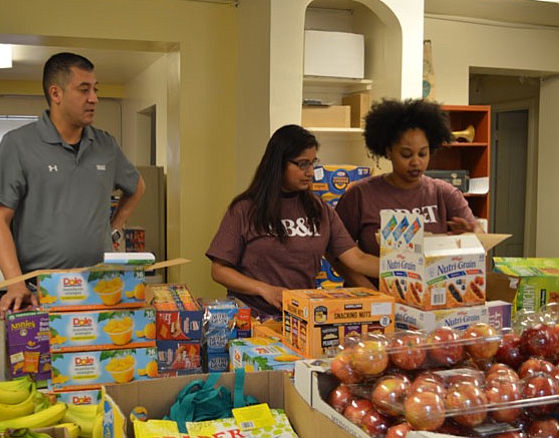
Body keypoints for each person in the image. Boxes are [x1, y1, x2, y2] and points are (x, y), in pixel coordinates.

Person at [0, 52, 145, 319]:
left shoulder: (106, 145)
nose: (94, 98)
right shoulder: (18, 145)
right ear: (56, 93)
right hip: (40, 292)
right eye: (84, 90)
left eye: (95, 89)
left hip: (99, 288)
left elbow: (137, 186)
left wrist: (115, 226)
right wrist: (15, 283)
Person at [206, 124, 379, 320]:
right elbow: (219, 270)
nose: (311, 172)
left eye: (313, 162)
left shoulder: (319, 210)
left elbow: (356, 259)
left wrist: (401, 268)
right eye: (303, 164)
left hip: (302, 319)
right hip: (253, 321)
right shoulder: (245, 209)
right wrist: (265, 290)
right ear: (279, 163)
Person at [335, 98, 483, 288]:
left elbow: (479, 237)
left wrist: (472, 235)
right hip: (375, 300)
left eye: (423, 154)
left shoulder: (445, 194)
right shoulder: (360, 194)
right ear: (389, 152)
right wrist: (369, 292)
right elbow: (337, 253)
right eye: (406, 154)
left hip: (431, 298)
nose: (416, 162)